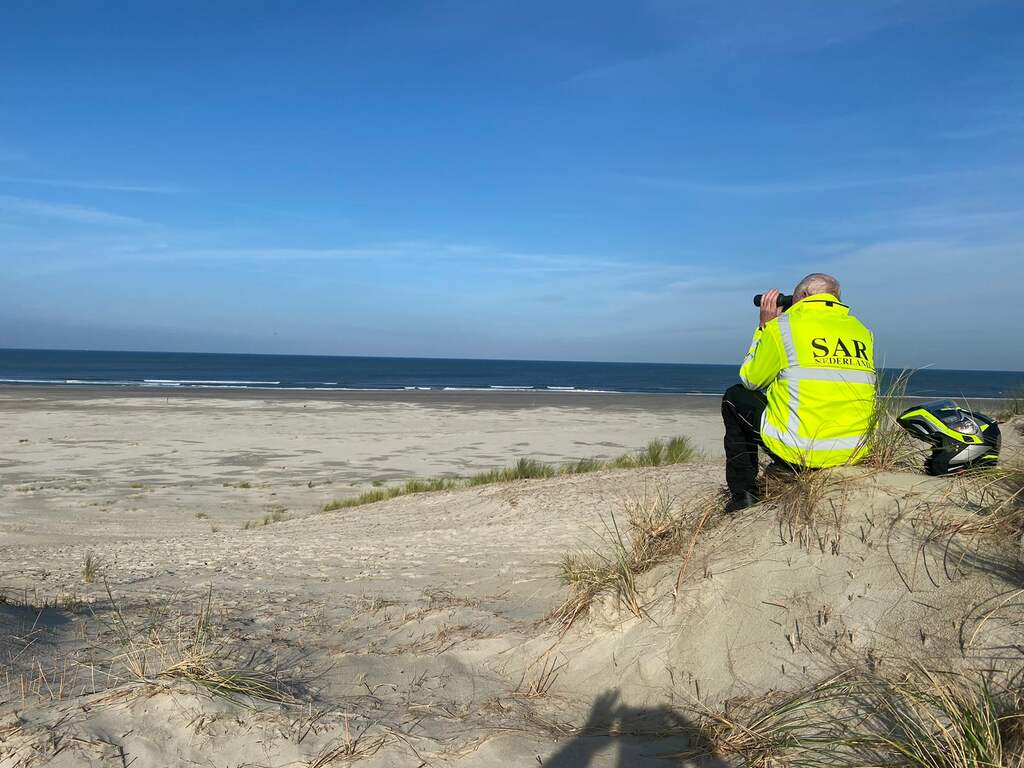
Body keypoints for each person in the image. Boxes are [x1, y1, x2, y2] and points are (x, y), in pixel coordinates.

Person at [721, 273, 876, 513]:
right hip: (854, 451)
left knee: (735, 396)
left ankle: (744, 496)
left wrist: (764, 328)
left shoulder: (783, 328)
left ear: (803, 295)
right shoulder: (861, 330)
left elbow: (751, 380)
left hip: (801, 452)